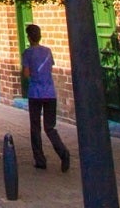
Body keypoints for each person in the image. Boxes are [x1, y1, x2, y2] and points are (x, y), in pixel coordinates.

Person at [22, 24, 71, 172]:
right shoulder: (48, 51)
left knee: (35, 127)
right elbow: (49, 68)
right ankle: (63, 152)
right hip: (50, 93)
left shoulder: (27, 53)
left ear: (29, 38)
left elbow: (26, 73)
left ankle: (40, 160)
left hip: (35, 93)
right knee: (50, 127)